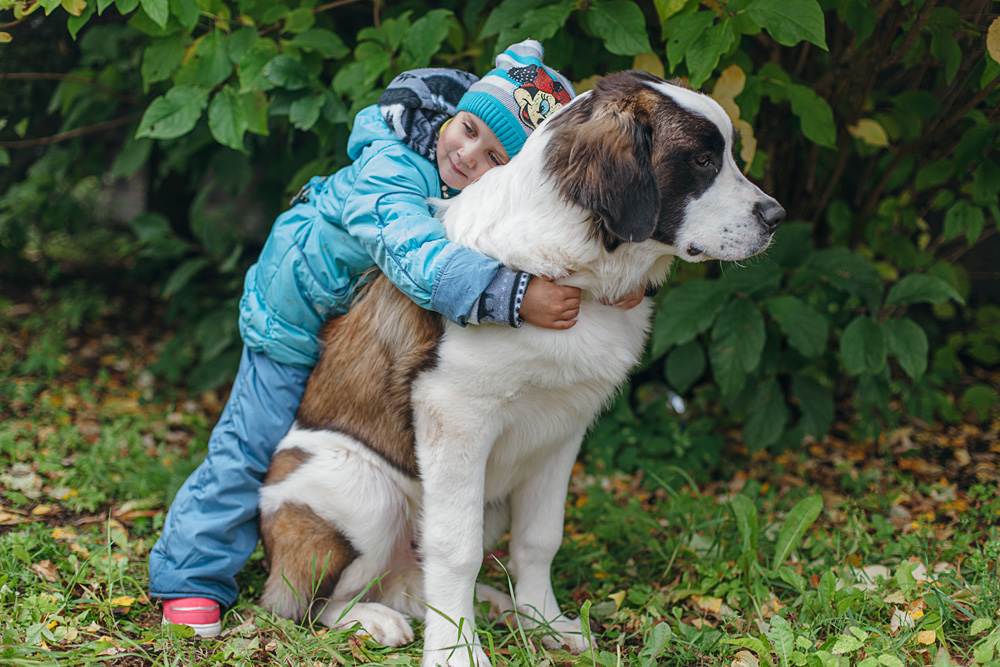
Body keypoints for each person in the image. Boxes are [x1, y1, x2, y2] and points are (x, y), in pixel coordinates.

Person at [149, 39, 639, 637]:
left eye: (492, 156)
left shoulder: (468, 191)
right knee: (249, 449)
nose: (467, 155)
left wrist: (611, 287)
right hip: (294, 322)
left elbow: (535, 244)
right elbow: (416, 254)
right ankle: (190, 580)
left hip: (353, 341)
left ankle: (400, 577)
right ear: (453, 112)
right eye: (467, 129)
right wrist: (513, 297)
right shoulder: (392, 166)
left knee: (337, 446)